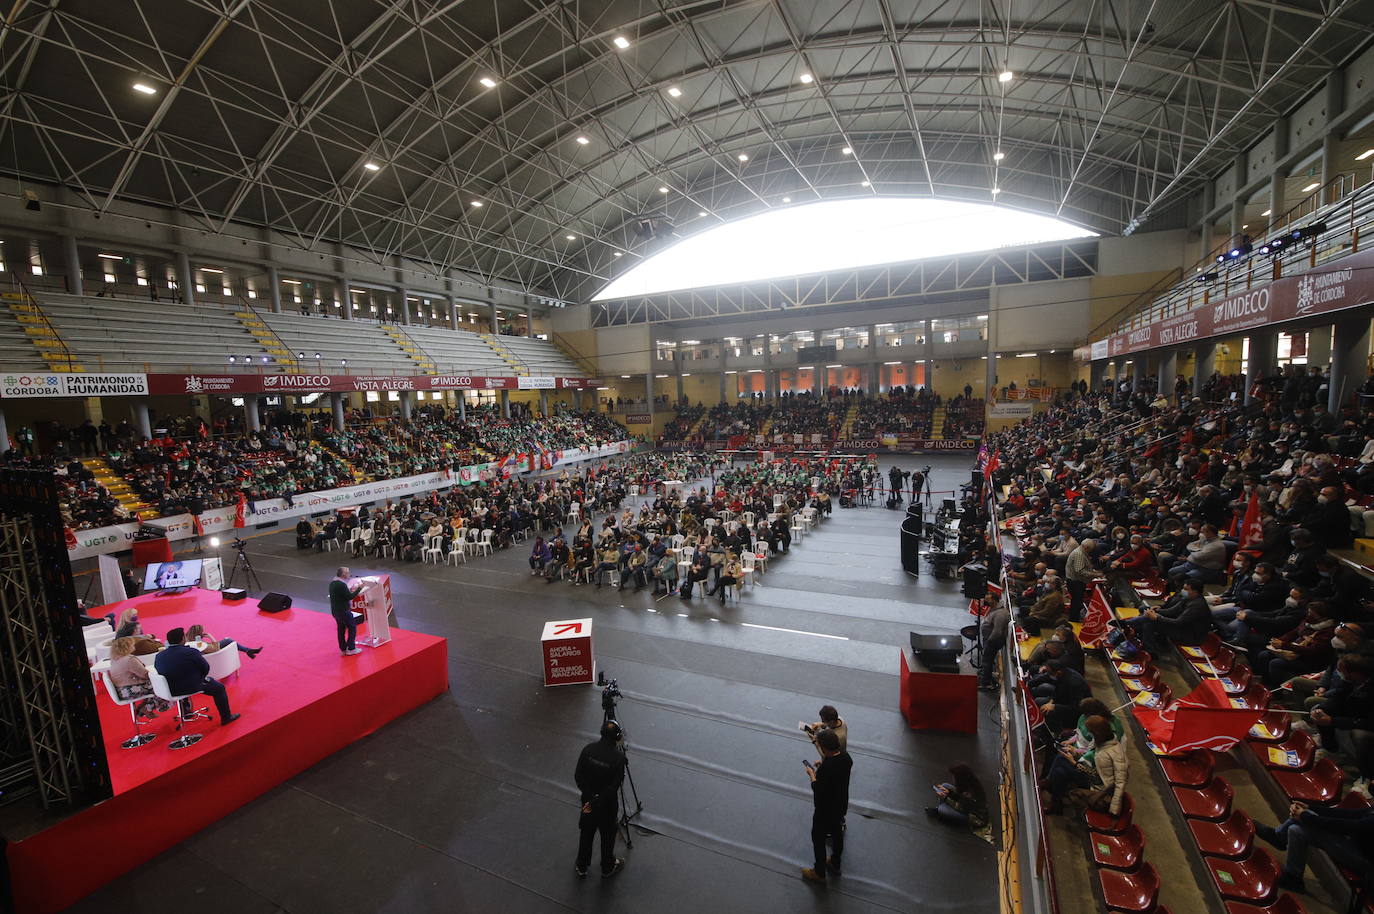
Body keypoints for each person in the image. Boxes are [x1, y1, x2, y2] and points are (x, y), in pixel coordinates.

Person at [1255, 800, 1374, 893]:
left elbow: (1347, 826)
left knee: (1306, 820)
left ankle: (1279, 837)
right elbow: (1350, 814)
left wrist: (1306, 816)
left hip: (1365, 864)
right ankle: (1293, 877)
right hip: (1356, 848)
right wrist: (1309, 808)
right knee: (1296, 831)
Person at [153, 627, 239, 725]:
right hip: (190, 686)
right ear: (183, 639)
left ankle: (187, 712)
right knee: (219, 688)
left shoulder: (159, 656)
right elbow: (205, 668)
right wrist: (200, 678)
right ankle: (226, 718)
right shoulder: (191, 652)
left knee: (178, 677)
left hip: (169, 689)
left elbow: (159, 670)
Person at [574, 720, 626, 879]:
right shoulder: (618, 758)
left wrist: (590, 796)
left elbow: (578, 776)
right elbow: (615, 785)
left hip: (588, 803)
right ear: (617, 737)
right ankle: (607, 866)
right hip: (607, 806)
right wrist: (600, 799)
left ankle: (581, 865)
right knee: (607, 836)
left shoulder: (588, 750)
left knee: (586, 833)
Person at [801, 727, 852, 883]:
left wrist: (812, 775)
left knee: (818, 838)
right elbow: (834, 772)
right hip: (840, 805)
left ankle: (819, 872)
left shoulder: (827, 768)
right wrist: (822, 765)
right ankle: (835, 862)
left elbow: (817, 788)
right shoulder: (846, 758)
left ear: (823, 748)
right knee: (837, 834)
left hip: (825, 810)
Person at [107, 636, 170, 719]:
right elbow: (144, 674)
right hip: (130, 689)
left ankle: (147, 706)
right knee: (161, 685)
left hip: (121, 691)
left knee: (154, 685)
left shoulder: (114, 660)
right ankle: (150, 707)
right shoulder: (129, 660)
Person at [926, 762, 990, 840]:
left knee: (942, 809)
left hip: (973, 817)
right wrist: (949, 793)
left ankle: (940, 811)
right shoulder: (971, 783)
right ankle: (941, 806)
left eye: (954, 777)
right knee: (945, 786)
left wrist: (946, 797)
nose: (953, 778)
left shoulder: (968, 793)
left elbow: (960, 807)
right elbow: (959, 797)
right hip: (969, 805)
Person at [330, 566, 365, 656]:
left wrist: (349, 591)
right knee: (352, 627)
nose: (349, 574)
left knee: (341, 629)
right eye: (348, 572)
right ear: (343, 574)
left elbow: (343, 594)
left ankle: (343, 649)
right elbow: (349, 597)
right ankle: (351, 648)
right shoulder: (341, 585)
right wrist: (359, 588)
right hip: (343, 610)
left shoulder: (333, 583)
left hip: (335, 610)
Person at [186, 623, 262, 659]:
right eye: (203, 631)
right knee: (228, 640)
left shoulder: (188, 639)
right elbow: (216, 649)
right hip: (211, 654)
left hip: (207, 650)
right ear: (199, 633)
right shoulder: (200, 644)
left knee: (228, 640)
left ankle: (248, 651)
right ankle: (248, 651)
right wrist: (210, 637)